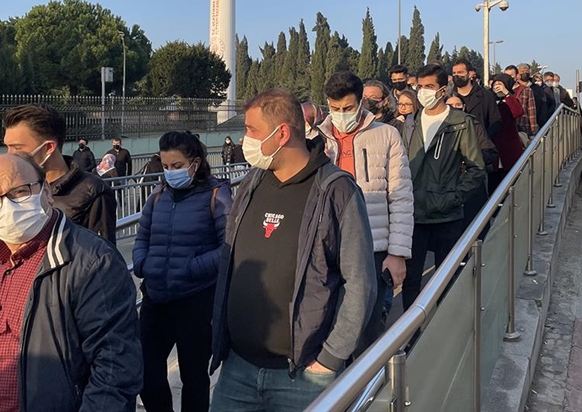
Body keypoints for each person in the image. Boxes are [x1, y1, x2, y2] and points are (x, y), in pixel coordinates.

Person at [210, 88, 376, 410]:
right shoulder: (252, 183)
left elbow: (360, 282)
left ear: (282, 133)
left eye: (252, 131)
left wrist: (330, 359)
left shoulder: (336, 191)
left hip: (303, 378)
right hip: (237, 369)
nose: (247, 140)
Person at [0, 153, 142, 412]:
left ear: (46, 191)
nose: (8, 207)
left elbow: (115, 370)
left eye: (20, 192)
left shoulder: (92, 262)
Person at [133, 131, 232, 412]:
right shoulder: (158, 195)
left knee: (194, 378)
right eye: (165, 167)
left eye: (177, 166)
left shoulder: (216, 194)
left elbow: (229, 245)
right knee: (147, 374)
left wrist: (193, 267)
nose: (170, 172)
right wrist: (142, 263)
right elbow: (142, 237)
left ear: (195, 163)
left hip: (196, 300)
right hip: (156, 299)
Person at [319, 71, 414, 351]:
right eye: (334, 109)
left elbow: (401, 197)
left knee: (368, 330)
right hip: (328, 248)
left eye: (347, 108)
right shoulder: (317, 138)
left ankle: (367, 389)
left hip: (373, 247)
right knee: (327, 328)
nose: (341, 114)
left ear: (361, 103)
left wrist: (397, 253)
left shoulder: (386, 135)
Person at [401, 64, 486, 311]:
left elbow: (476, 168)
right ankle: (410, 338)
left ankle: (445, 333)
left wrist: (454, 197)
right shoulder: (409, 123)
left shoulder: (460, 123)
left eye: (429, 87)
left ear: (443, 89)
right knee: (410, 281)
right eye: (419, 87)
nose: (423, 92)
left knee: (445, 281)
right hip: (413, 215)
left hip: (446, 214)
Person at [3, 104, 118, 244]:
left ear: (48, 147)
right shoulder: (17, 190)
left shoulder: (94, 191)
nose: (10, 155)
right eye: (7, 147)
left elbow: (104, 255)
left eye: (17, 147)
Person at [490, 73, 526, 193]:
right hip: (493, 146)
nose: (497, 86)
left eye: (500, 84)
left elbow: (518, 112)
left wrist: (506, 94)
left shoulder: (511, 99)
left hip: (509, 148)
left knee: (509, 185)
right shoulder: (489, 99)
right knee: (493, 185)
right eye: (495, 84)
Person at [452, 59, 502, 140]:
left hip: (480, 145)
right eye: (454, 73)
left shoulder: (486, 96)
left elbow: (495, 121)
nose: (456, 76)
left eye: (460, 72)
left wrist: (484, 139)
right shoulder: (449, 97)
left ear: (470, 74)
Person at [505, 65, 538, 142]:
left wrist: (533, 132)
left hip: (522, 128)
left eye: (511, 76)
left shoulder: (526, 90)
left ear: (517, 76)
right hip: (507, 129)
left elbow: (532, 111)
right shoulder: (503, 92)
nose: (508, 78)